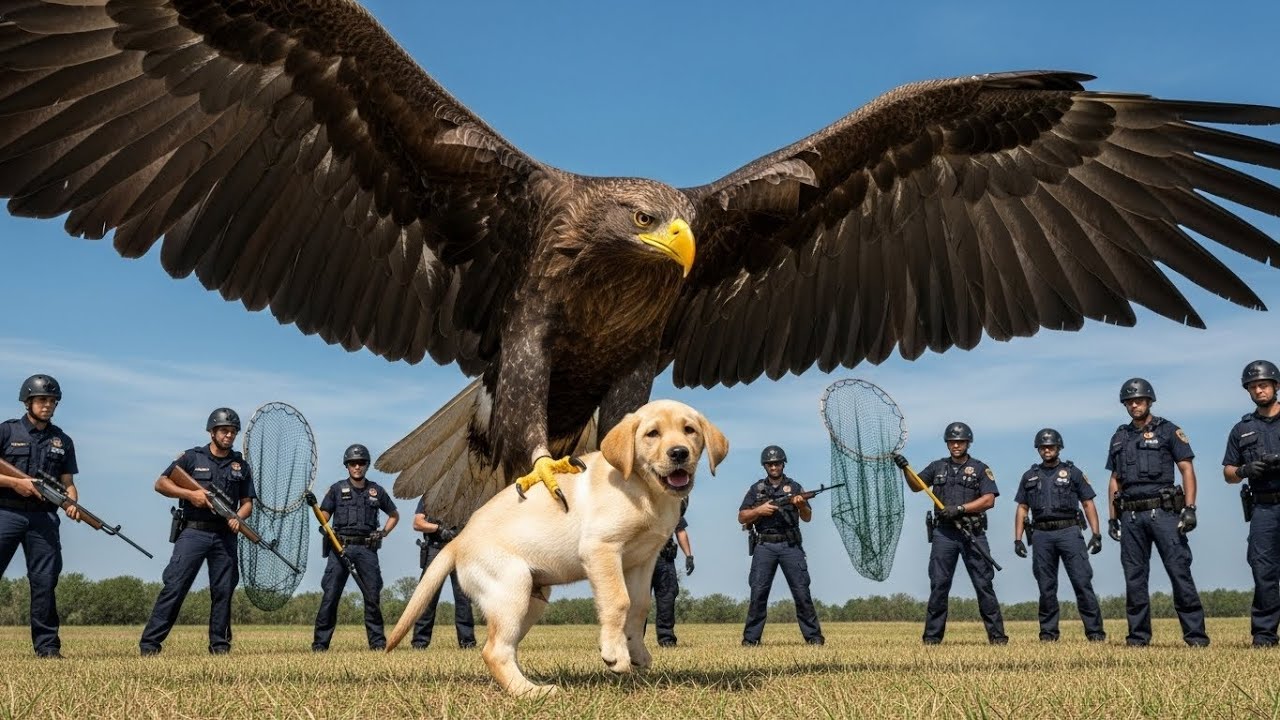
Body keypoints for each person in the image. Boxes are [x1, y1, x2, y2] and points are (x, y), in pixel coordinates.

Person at [140, 408, 255, 656]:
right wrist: (190, 494)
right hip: (193, 532)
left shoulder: (241, 466)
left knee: (223, 591)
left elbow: (247, 503)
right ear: (212, 431)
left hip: (225, 534)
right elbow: (161, 483)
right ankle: (149, 645)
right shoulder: (192, 457)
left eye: (233, 431)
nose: (229, 435)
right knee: (175, 586)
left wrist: (239, 517)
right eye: (224, 430)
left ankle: (220, 647)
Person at [1106, 378, 1208, 647]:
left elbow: (1186, 469)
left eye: (1138, 400)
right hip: (1130, 516)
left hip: (1163, 513)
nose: (1134, 405)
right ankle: (1138, 638)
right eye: (1129, 402)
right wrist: (1112, 518)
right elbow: (1114, 480)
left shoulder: (1168, 431)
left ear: (1149, 401)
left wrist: (1190, 507)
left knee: (1179, 572)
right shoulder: (1119, 437)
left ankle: (1195, 637)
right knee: (1134, 578)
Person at [898, 421, 1007, 645]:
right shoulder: (937, 467)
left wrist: (959, 509)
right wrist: (904, 468)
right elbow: (916, 485)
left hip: (972, 532)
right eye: (952, 441)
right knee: (939, 584)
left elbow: (989, 500)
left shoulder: (979, 468)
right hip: (944, 534)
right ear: (947, 443)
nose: (956, 445)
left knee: (983, 584)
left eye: (960, 441)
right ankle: (932, 639)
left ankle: (997, 638)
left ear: (968, 443)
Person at [0, 375, 80, 658]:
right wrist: (16, 483)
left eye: (52, 401)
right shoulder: (6, 432)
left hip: (44, 518)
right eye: (42, 400)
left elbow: (68, 481)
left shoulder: (63, 440)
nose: (47, 405)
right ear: (28, 402)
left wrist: (72, 502)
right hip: (6, 512)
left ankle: (47, 648)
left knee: (45, 581)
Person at [1012, 428, 1106, 643]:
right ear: (1038, 449)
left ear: (1059, 448)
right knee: (1046, 587)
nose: (1047, 450)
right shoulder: (1029, 476)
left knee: (1082, 582)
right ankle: (1048, 634)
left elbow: (1088, 503)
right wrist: (1017, 539)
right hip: (1041, 535)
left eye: (1051, 446)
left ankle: (1095, 633)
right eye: (1043, 447)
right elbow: (1022, 508)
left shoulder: (1073, 473)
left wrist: (1096, 533)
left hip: (1069, 532)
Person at [312, 443, 399, 651]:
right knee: (330, 596)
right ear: (347, 466)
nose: (357, 467)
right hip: (339, 548)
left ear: (366, 465)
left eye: (360, 463)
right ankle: (320, 645)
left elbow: (394, 515)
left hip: (367, 551)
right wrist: (315, 508)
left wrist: (383, 532)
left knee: (372, 597)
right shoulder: (335, 489)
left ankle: (378, 644)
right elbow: (323, 518)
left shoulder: (376, 491)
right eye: (353, 463)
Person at [738, 445, 824, 646]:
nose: (774, 466)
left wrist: (801, 504)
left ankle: (814, 638)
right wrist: (759, 510)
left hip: (790, 545)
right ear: (765, 466)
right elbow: (742, 517)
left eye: (777, 463)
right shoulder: (756, 489)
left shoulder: (795, 487)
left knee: (802, 592)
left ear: (783, 464)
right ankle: (751, 640)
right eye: (770, 464)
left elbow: (808, 517)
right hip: (764, 546)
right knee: (758, 593)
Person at [1223, 360, 1280, 647]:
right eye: (1253, 386)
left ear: (1275, 386)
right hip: (1263, 508)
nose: (1259, 390)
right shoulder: (1242, 429)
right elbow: (1228, 473)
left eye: (1264, 385)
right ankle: (1264, 635)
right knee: (1263, 569)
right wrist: (1246, 471)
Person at [410, 497, 476, 649]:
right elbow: (417, 523)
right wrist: (439, 529)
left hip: (460, 548)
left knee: (463, 598)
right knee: (428, 597)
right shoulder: (429, 496)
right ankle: (420, 642)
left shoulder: (468, 494)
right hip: (435, 548)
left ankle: (467, 643)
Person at [650, 498, 693, 647]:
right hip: (642, 560)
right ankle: (632, 640)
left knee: (667, 599)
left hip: (665, 559)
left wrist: (689, 556)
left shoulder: (672, 508)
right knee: (637, 601)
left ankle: (666, 639)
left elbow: (680, 531)